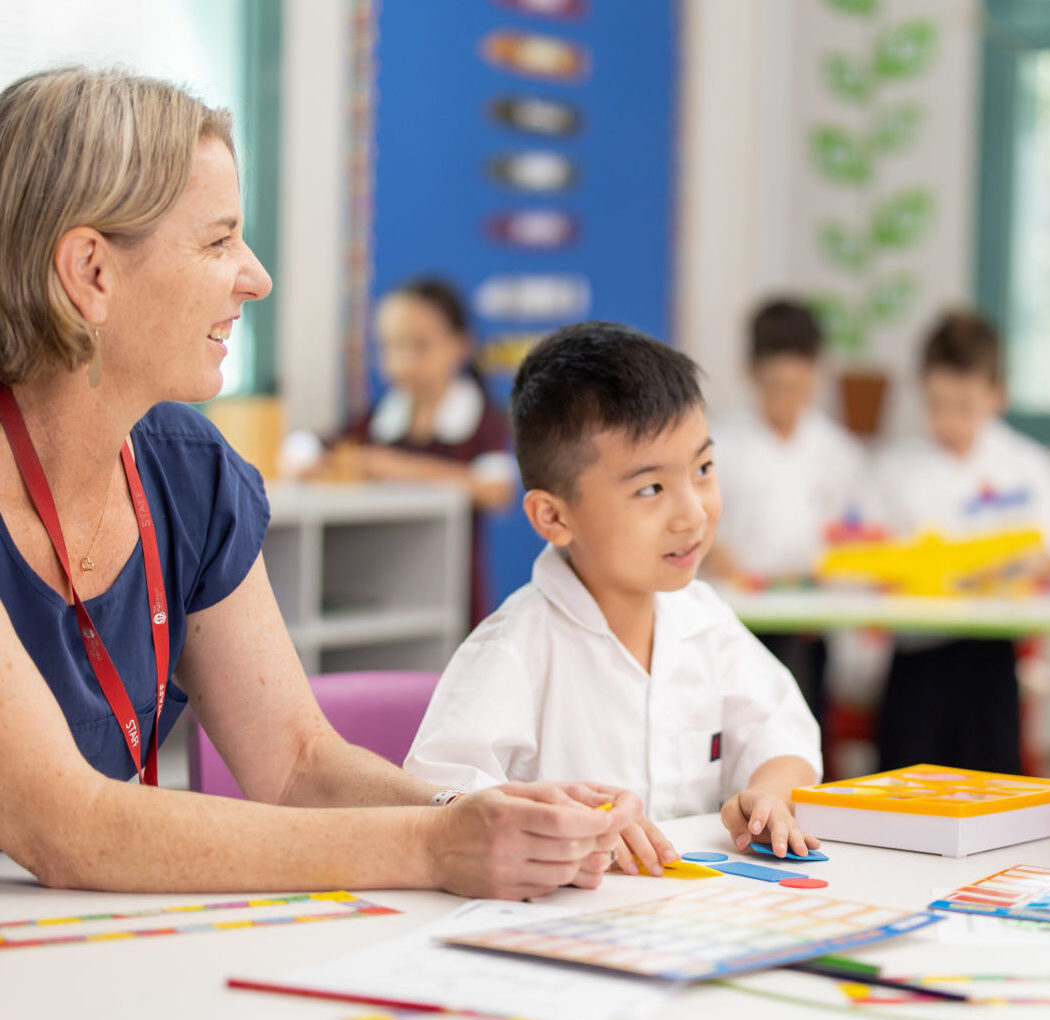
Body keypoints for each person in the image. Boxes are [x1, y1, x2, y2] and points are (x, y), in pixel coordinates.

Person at [0, 66, 637, 899]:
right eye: (218, 240)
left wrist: (483, 812)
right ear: (91, 272)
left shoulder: (188, 473)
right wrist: (434, 846)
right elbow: (70, 827)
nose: (255, 277)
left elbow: (296, 763)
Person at [405, 322, 823, 871]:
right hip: (557, 929)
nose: (693, 512)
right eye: (650, 488)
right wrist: (564, 826)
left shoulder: (704, 619)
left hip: (697, 915)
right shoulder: (516, 648)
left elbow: (782, 732)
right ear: (553, 516)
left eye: (702, 469)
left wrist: (770, 793)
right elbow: (442, 800)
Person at [870, 310, 1050, 774]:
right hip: (915, 655)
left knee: (991, 787)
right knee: (904, 790)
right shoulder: (897, 467)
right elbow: (872, 553)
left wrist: (999, 567)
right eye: (936, 403)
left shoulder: (1023, 463)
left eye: (964, 405)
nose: (949, 420)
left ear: (995, 395)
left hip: (992, 654)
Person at [706, 298, 865, 731]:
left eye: (797, 387)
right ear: (752, 372)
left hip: (808, 627)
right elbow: (699, 527)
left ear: (817, 373)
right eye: (774, 386)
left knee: (801, 732)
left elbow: (854, 535)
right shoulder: (718, 445)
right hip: (735, 622)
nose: (786, 399)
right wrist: (715, 551)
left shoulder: (838, 451)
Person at [334, 278, 516, 619]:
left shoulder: (483, 421)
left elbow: (495, 490)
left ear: (460, 345)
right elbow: (318, 450)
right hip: (379, 583)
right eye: (390, 346)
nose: (403, 361)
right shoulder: (375, 420)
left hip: (453, 595)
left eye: (419, 345)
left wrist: (395, 466)